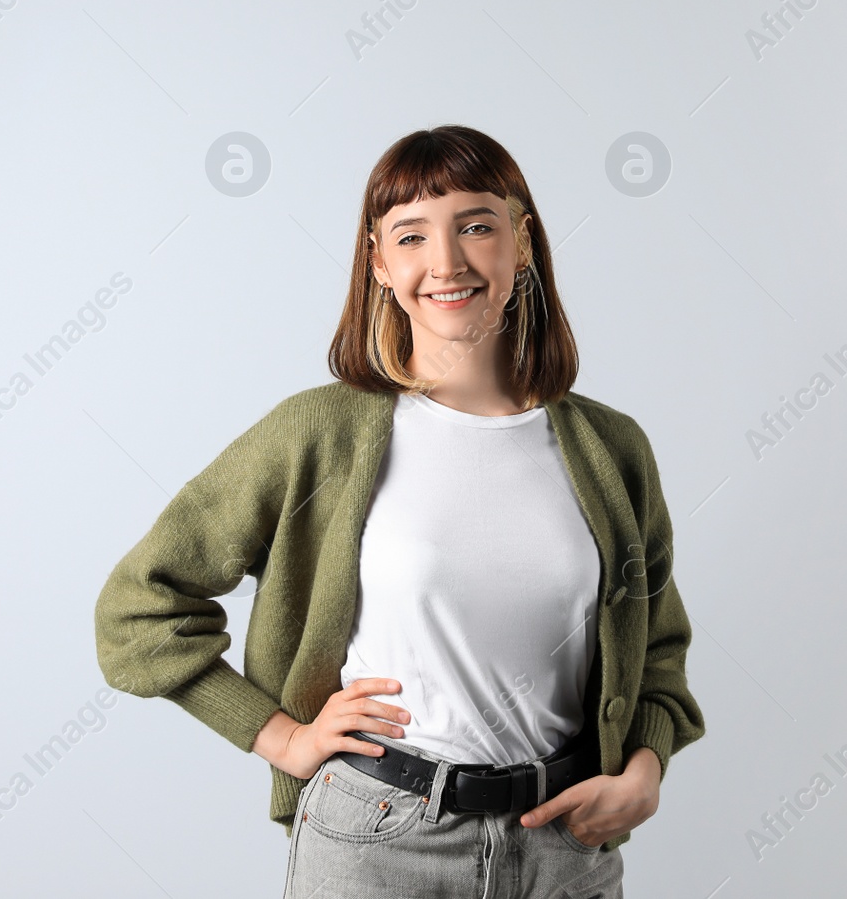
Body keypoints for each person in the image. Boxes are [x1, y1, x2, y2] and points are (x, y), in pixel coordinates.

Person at [94, 124, 705, 898]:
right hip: (378, 841)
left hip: (565, 848)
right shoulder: (319, 432)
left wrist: (645, 769)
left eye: (476, 226)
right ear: (380, 263)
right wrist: (282, 735)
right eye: (411, 235)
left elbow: (657, 648)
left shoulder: (612, 450)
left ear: (521, 243)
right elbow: (137, 609)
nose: (446, 261)